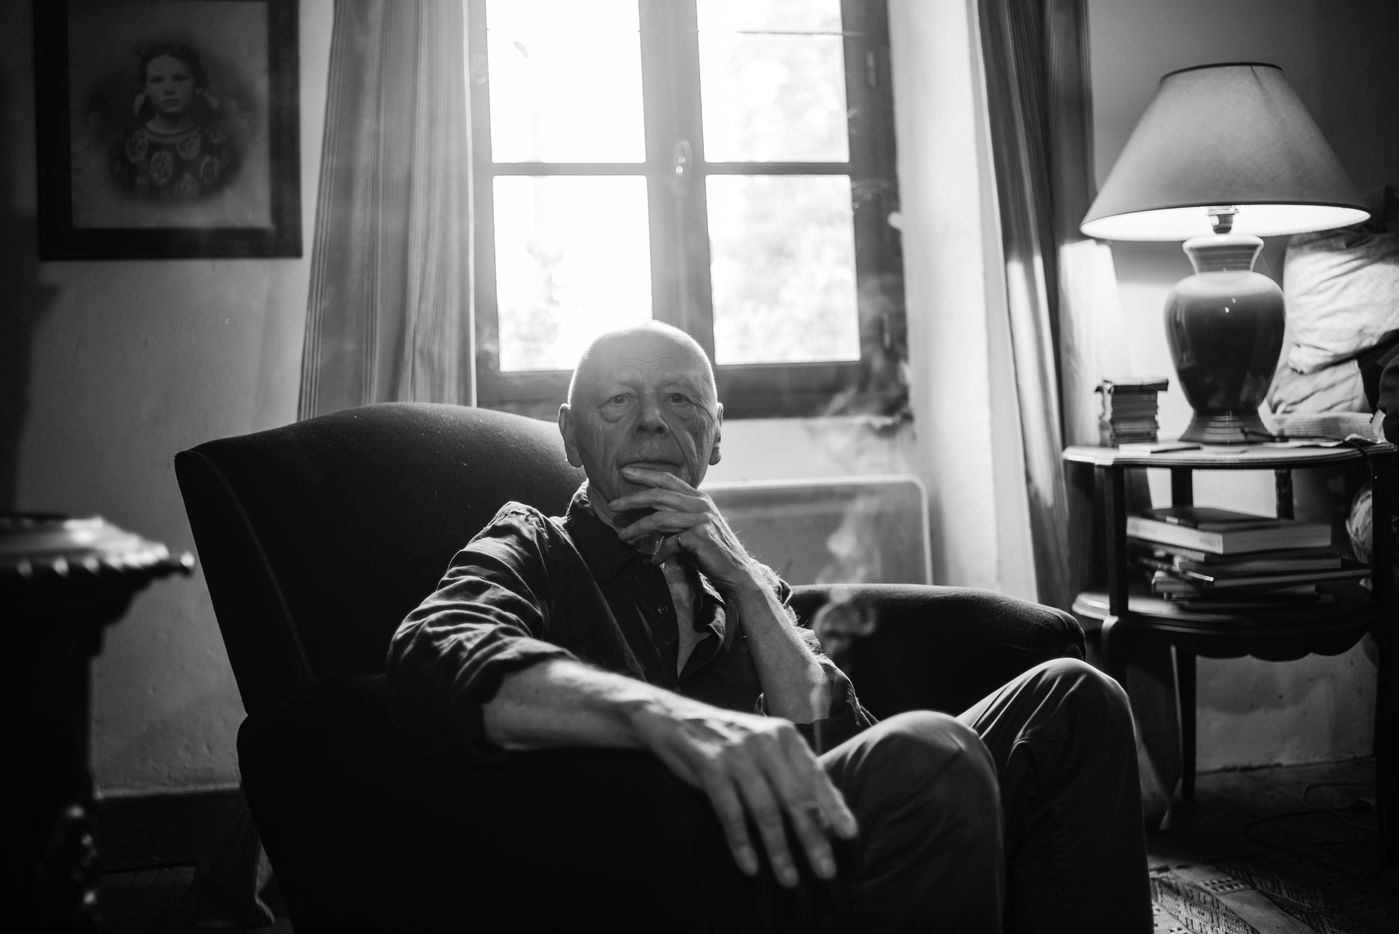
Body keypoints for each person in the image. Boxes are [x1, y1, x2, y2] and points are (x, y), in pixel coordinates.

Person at [386, 321, 1152, 932]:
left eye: (680, 400)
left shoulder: (743, 584)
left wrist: (747, 585)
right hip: (657, 866)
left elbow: (837, 744)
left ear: (715, 435)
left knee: (1073, 698)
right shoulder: (535, 543)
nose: (652, 420)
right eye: (617, 402)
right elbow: (439, 644)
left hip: (794, 841)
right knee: (929, 750)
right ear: (570, 435)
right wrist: (669, 721)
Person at [108, 43, 239, 201]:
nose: (169, 89)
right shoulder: (124, 145)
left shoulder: (220, 144)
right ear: (145, 88)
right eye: (157, 80)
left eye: (179, 78)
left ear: (197, 86)